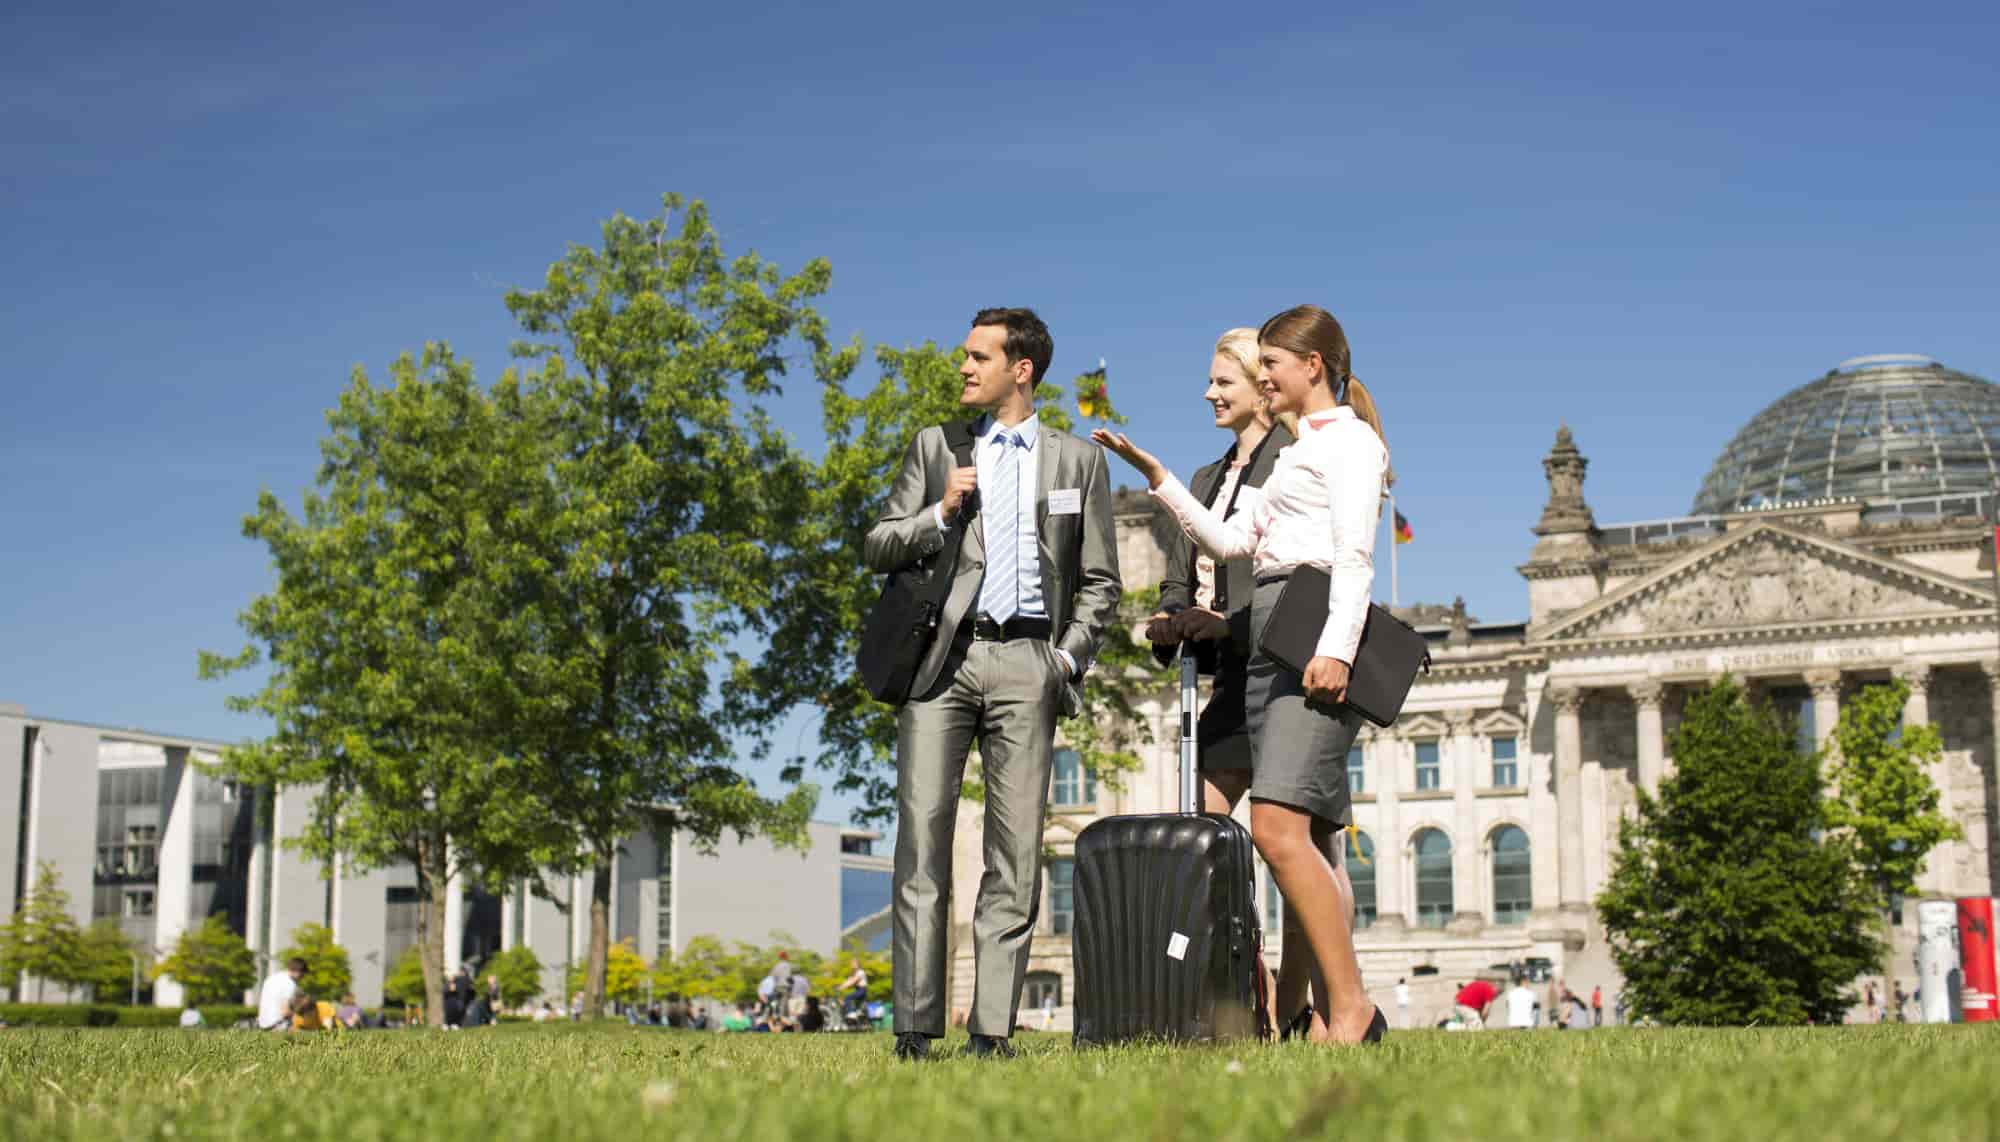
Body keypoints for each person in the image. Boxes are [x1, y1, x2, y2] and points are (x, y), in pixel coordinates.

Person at [1093, 304, 1389, 1046]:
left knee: (1283, 831)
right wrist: (1156, 476)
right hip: (1270, 641)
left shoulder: (1351, 444)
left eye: (1271, 369)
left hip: (1312, 632)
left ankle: (1348, 1008)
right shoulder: (1294, 454)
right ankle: (1329, 1012)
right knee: (1288, 834)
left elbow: (1353, 556)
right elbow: (1229, 540)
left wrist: (1338, 649)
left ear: (1309, 367)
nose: (1265, 380)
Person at [869, 307, 1122, 1061]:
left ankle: (991, 1032)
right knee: (921, 841)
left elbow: (1101, 582)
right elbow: (879, 543)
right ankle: (915, 1028)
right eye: (964, 356)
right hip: (940, 664)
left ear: (1023, 369)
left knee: (1014, 853)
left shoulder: (1077, 461)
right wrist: (938, 513)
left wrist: (1066, 661)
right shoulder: (935, 446)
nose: (964, 369)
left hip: (1028, 662)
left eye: (979, 357)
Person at [1141, 327, 1304, 1036]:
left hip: (1287, 672)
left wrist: (1225, 625)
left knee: (1296, 843)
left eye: (1221, 382)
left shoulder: (1293, 461)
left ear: (1257, 388)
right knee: (1201, 831)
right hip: (1226, 685)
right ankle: (1249, 974)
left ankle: (1305, 1004)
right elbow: (1181, 576)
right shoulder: (1205, 481)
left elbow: (1296, 583)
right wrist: (1171, 616)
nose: (1209, 393)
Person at [256, 957, 307, 1032]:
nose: (303, 977)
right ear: (299, 972)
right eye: (303, 974)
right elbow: (285, 1012)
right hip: (277, 1026)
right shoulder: (290, 985)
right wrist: (298, 1012)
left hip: (262, 1024)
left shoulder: (272, 977)